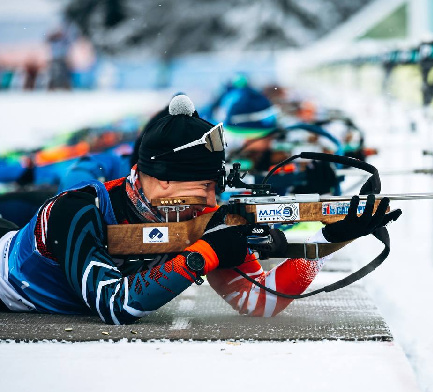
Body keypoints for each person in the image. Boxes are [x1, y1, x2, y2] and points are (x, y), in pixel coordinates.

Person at [0, 95, 400, 325]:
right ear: (163, 179)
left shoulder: (193, 220)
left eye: (216, 187)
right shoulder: (76, 210)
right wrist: (205, 254)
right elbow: (114, 305)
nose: (212, 202)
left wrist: (328, 237)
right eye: (205, 187)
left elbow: (258, 303)